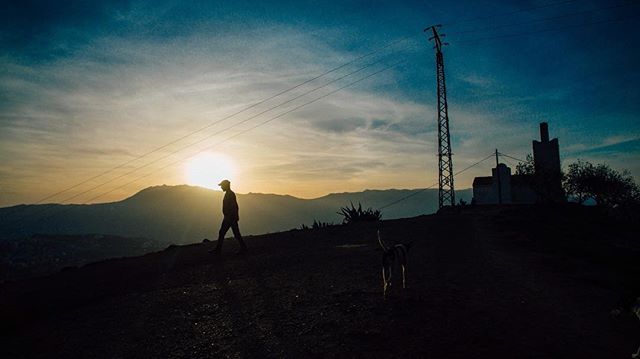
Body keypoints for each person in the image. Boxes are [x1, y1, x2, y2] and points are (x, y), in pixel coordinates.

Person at [210, 179, 247, 255]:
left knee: (223, 233)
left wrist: (230, 217)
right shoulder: (229, 194)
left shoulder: (229, 194)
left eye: (222, 186)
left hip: (229, 218)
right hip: (230, 218)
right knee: (234, 233)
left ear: (226, 186)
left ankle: (218, 250)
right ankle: (243, 248)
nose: (221, 187)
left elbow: (234, 207)